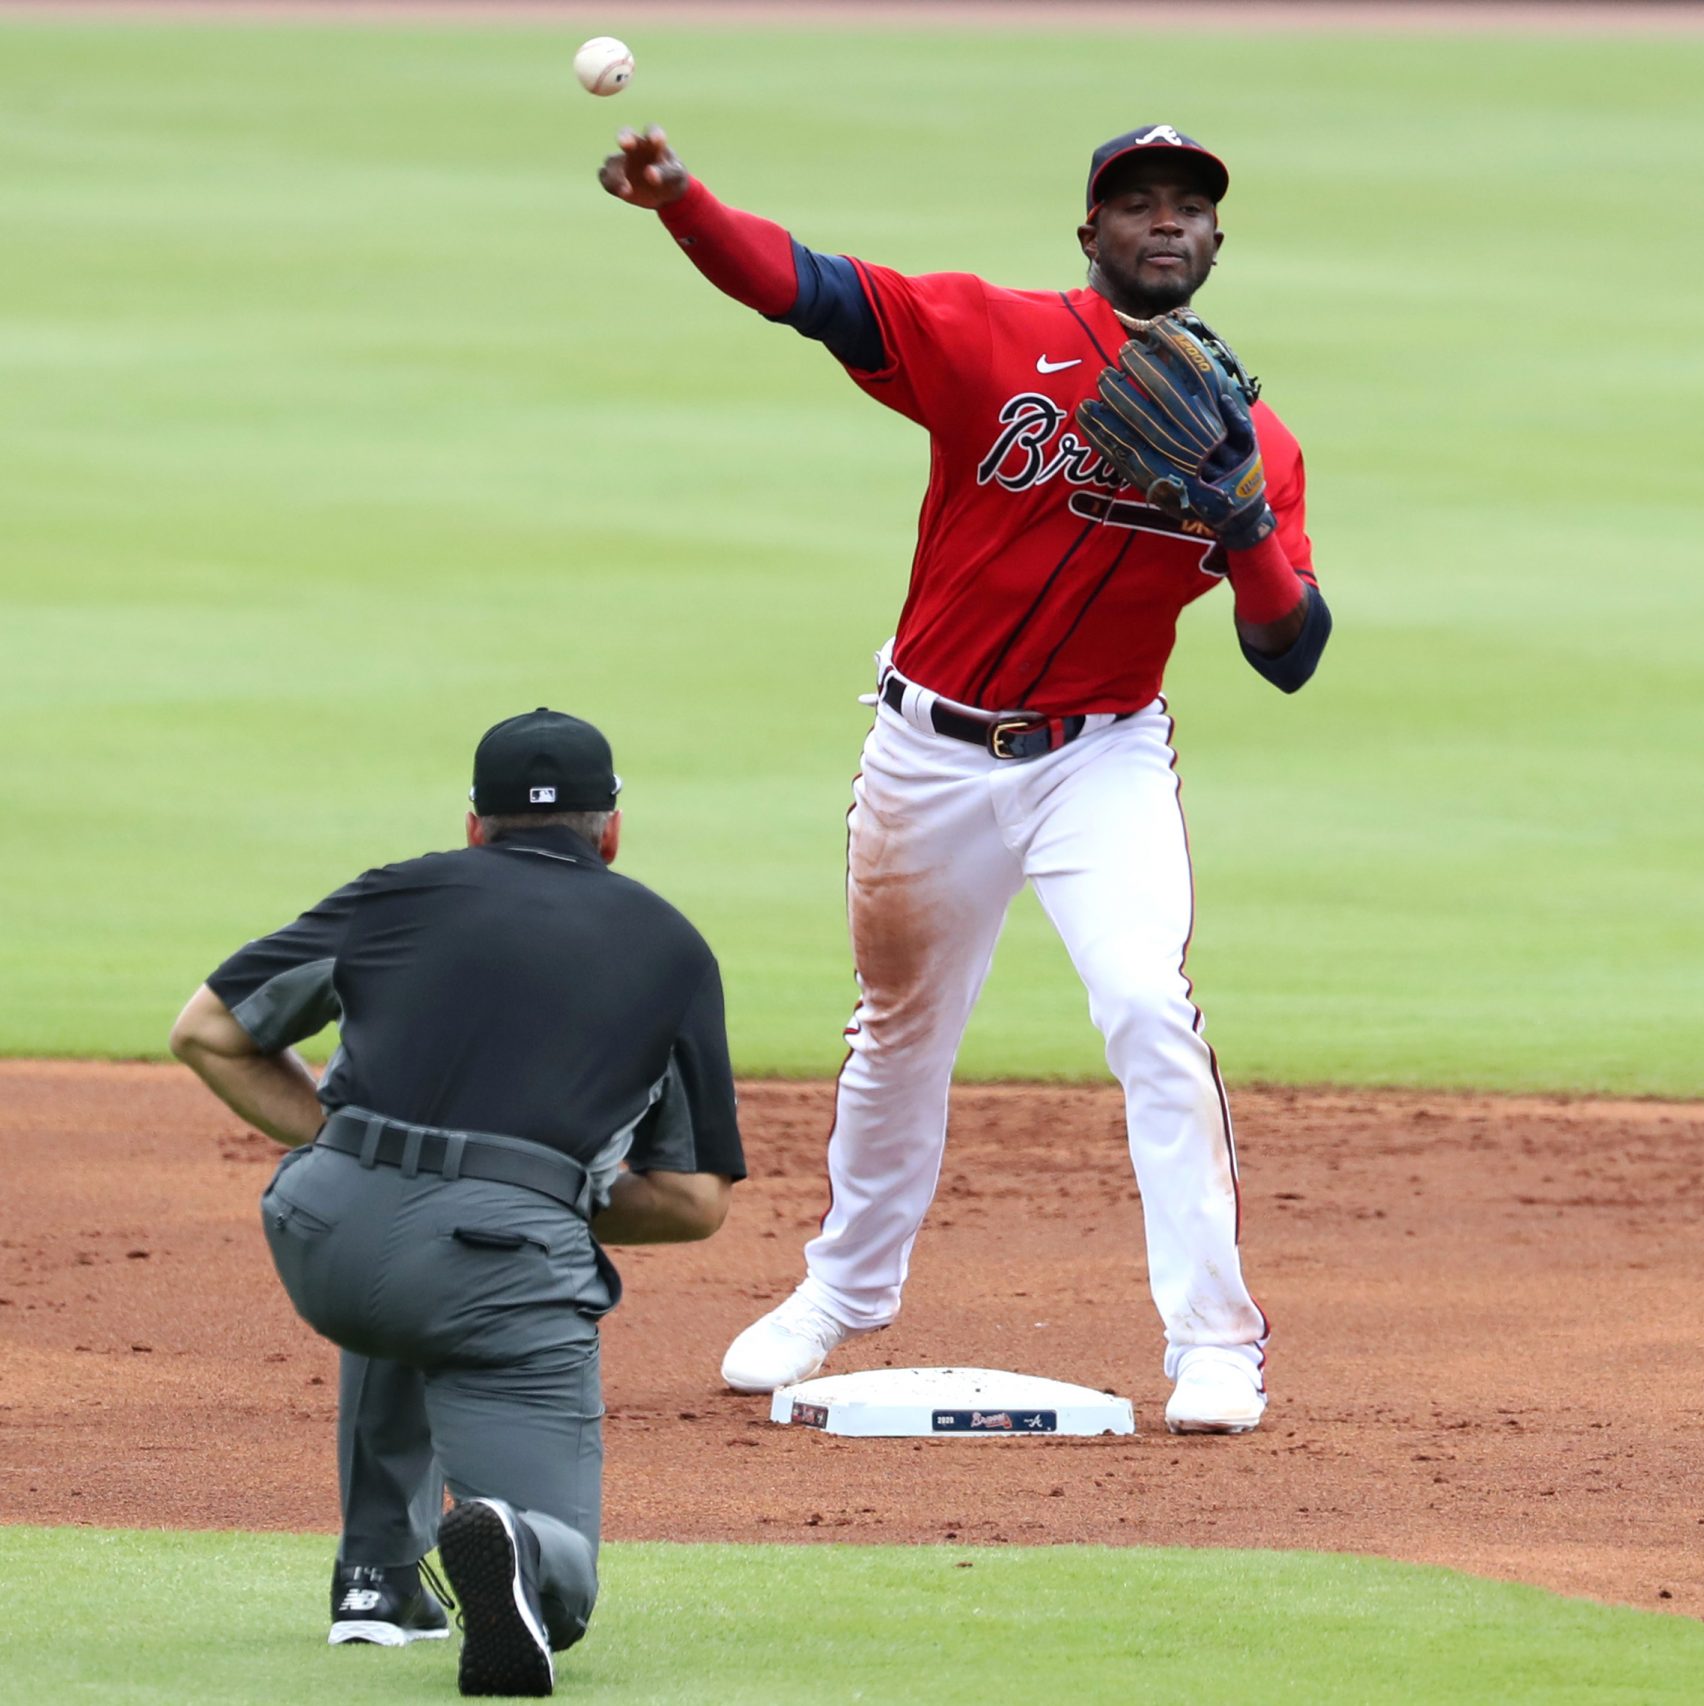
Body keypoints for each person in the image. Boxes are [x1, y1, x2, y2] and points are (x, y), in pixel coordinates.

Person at [597, 121, 1326, 1433]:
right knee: (898, 1027)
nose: (1165, 221)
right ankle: (842, 1290)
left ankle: (1218, 1343)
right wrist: (681, 202)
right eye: (1136, 203)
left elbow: (1290, 654)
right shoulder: (986, 335)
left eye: (1189, 207)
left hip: (1099, 757)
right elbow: (806, 287)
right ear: (1090, 234)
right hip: (927, 752)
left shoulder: (1256, 443)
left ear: (1217, 241)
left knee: (1148, 1009)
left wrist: (1243, 527)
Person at [169, 710, 746, 1696]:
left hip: (322, 1228)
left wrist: (351, 1150)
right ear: (610, 830)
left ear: (474, 825)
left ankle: (376, 1576)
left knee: (409, 1255)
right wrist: (537, 1193)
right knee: (557, 1574)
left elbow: (207, 1031)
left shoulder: (394, 891)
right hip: (494, 1261)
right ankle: (517, 1546)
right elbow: (693, 1201)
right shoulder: (670, 945)